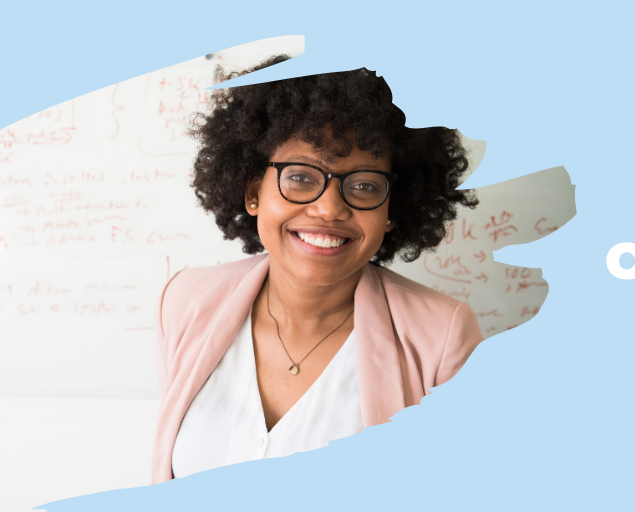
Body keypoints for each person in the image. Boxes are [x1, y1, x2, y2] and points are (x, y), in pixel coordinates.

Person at [151, 56, 483, 483]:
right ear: (254, 191)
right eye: (301, 177)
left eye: (364, 186)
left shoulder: (441, 339)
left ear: (392, 210)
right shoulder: (183, 302)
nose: (328, 208)